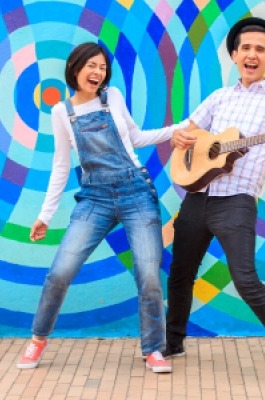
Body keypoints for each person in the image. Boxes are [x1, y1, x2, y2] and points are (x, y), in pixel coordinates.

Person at [164, 17, 265, 388]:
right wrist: (180, 141)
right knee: (180, 273)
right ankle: (171, 343)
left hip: (237, 201)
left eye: (259, 49)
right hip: (197, 196)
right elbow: (187, 132)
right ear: (234, 55)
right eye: (245, 47)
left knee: (245, 280)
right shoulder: (219, 97)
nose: (251, 54)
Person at [16, 42, 185, 373]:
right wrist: (45, 215)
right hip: (95, 198)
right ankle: (37, 339)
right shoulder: (62, 112)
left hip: (137, 192)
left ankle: (153, 349)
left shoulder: (114, 98)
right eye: (91, 65)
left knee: (149, 275)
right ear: (75, 69)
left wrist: (177, 130)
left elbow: (135, 138)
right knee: (60, 271)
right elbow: (61, 167)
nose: (98, 72)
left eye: (102, 67)